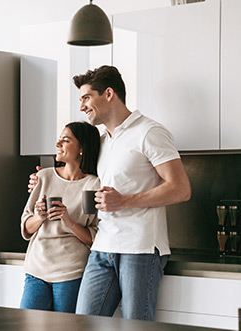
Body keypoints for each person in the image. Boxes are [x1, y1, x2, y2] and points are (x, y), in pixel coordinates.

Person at [28, 66, 191, 321]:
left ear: (109, 94)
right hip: (102, 247)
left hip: (140, 249)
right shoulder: (102, 142)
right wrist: (42, 178)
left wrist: (125, 201)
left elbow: (181, 189)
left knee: (136, 326)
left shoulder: (149, 132)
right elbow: (78, 178)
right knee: (82, 323)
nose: (82, 106)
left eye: (86, 98)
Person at [19, 121, 101, 313]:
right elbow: (26, 227)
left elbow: (94, 238)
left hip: (71, 273)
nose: (58, 145)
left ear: (81, 148)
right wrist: (39, 217)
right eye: (59, 140)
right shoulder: (44, 177)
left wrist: (69, 221)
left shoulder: (93, 184)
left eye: (65, 141)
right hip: (36, 269)